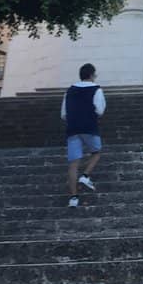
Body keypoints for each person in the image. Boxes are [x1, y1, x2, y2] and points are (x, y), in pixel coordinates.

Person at [62, 62, 106, 208]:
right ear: (92, 75)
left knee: (73, 164)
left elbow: (63, 114)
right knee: (96, 152)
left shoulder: (69, 91)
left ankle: (73, 198)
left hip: (73, 128)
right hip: (89, 126)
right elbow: (100, 110)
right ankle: (85, 176)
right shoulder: (96, 89)